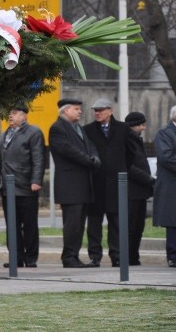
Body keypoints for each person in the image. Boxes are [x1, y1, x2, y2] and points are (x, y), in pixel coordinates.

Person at [82, 98, 141, 267]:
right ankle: (95, 256)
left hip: (117, 183)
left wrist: (121, 168)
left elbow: (131, 152)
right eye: (95, 110)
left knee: (116, 221)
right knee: (94, 222)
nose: (97, 113)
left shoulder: (123, 129)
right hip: (96, 182)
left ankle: (116, 255)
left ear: (110, 110)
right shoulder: (88, 130)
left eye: (101, 110)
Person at [48, 98, 101, 268]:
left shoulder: (78, 128)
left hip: (83, 184)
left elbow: (90, 145)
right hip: (70, 185)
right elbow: (67, 150)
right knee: (72, 223)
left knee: (79, 223)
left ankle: (74, 256)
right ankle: (69, 257)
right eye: (76, 109)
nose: (80, 112)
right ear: (65, 111)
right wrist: (88, 160)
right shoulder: (57, 128)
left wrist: (95, 157)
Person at [0, 104, 44, 268]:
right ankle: (15, 257)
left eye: (15, 113)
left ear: (24, 116)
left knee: (30, 224)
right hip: (8, 188)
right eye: (9, 113)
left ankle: (30, 257)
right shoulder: (4, 134)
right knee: (12, 224)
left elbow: (38, 158)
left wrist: (36, 180)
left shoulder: (33, 132)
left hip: (26, 186)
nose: (11, 116)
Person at [124, 111, 155, 266]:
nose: (144, 128)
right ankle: (127, 257)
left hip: (140, 191)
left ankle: (133, 256)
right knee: (131, 226)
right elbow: (128, 166)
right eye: (142, 125)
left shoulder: (135, 139)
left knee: (138, 226)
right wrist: (148, 179)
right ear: (134, 125)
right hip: (131, 191)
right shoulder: (126, 140)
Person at [153, 104, 176, 268]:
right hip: (172, 185)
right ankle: (173, 255)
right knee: (174, 221)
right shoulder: (165, 133)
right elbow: (166, 157)